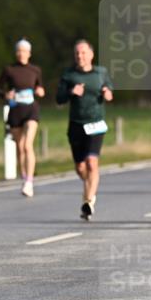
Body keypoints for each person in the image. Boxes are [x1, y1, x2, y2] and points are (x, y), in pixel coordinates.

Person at [56, 39, 114, 220]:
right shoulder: (69, 75)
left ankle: (88, 201)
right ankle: (90, 190)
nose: (80, 56)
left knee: (91, 162)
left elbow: (110, 91)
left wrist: (107, 93)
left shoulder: (101, 73)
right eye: (77, 53)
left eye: (83, 53)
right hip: (76, 125)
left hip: (96, 124)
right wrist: (71, 92)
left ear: (91, 54)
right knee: (81, 167)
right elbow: (59, 98)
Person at [0, 38, 45, 197]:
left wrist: (40, 91)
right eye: (19, 51)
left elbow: (40, 87)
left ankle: (29, 182)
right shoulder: (9, 70)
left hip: (31, 110)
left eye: (24, 51)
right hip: (16, 111)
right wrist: (5, 95)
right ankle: (24, 177)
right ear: (16, 53)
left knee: (28, 145)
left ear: (29, 53)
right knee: (20, 148)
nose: (21, 54)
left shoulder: (35, 70)